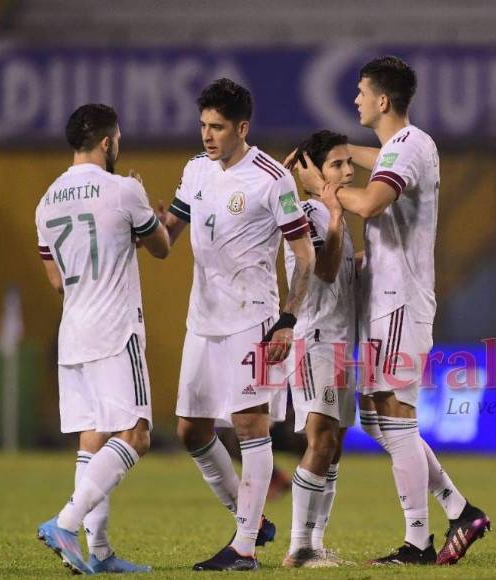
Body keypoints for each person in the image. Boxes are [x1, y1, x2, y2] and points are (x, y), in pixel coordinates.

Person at [295, 56, 490, 566]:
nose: (355, 99)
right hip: (385, 303)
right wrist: (336, 155)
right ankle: (459, 508)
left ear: (382, 101)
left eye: (361, 92)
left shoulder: (405, 148)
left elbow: (373, 203)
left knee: (396, 416)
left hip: (399, 301)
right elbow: (372, 158)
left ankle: (418, 541)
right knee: (377, 418)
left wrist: (324, 188)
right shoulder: (399, 146)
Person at [157, 78, 315, 571]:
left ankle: (244, 547)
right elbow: (169, 237)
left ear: (241, 127)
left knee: (250, 424)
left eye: (218, 127)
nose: (208, 135)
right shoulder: (194, 170)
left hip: (254, 318)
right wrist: (147, 223)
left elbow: (304, 256)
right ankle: (252, 520)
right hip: (202, 319)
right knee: (190, 430)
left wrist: (288, 320)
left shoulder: (271, 178)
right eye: (203, 125)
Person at [35, 103, 170, 574]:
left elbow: (56, 281)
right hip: (116, 329)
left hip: (73, 331)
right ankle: (66, 523)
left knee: (92, 439)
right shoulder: (124, 189)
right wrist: (143, 211)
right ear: (109, 142)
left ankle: (101, 553)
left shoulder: (46, 202)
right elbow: (162, 247)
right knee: (136, 434)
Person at [277, 130, 358, 568]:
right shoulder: (309, 213)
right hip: (316, 340)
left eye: (350, 164)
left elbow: (344, 275)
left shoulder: (333, 216)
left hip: (342, 342)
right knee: (320, 438)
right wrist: (331, 212)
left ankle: (316, 542)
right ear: (313, 172)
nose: (347, 172)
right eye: (337, 165)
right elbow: (323, 272)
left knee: (336, 444)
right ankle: (298, 548)